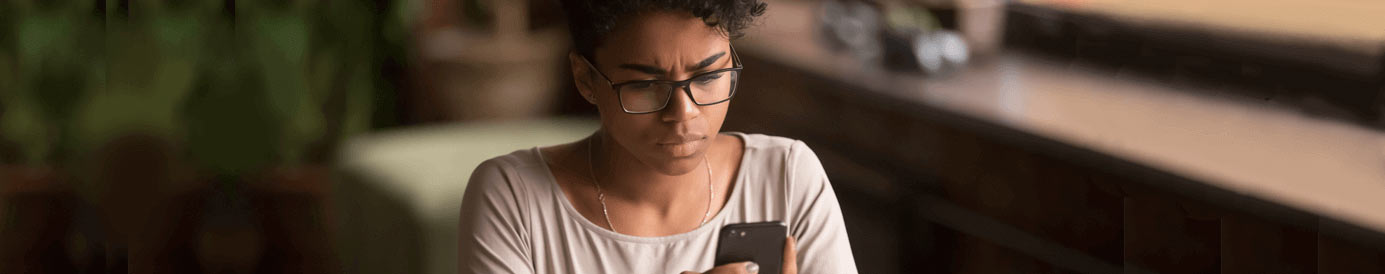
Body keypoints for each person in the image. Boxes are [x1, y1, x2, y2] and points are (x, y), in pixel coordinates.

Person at [457, 1, 857, 273]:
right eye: (646, 85)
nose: (684, 113)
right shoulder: (514, 199)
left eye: (709, 76)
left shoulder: (787, 177)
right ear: (585, 79)